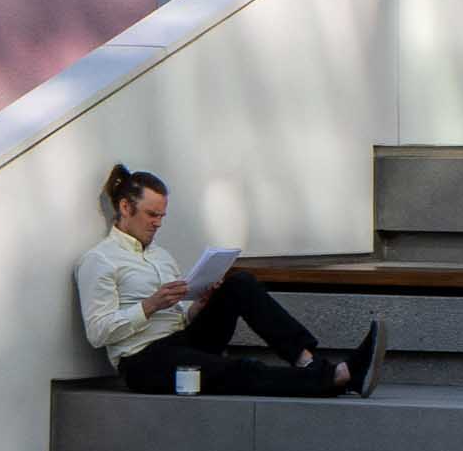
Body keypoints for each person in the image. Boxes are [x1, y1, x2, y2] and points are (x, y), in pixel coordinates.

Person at [75, 166, 383, 398]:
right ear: (126, 208)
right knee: (238, 369)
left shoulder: (160, 255)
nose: (157, 223)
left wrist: (196, 306)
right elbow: (98, 332)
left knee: (241, 284)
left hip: (182, 339)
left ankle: (308, 360)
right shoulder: (99, 260)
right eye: (151, 214)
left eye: (162, 216)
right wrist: (149, 305)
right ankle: (336, 377)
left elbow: (176, 316)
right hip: (143, 360)